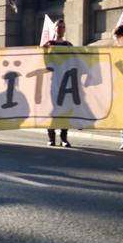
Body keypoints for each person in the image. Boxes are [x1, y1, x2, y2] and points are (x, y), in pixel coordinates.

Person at [42, 19, 73, 147]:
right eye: (58, 27)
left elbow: (74, 60)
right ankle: (51, 136)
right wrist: (43, 50)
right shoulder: (49, 44)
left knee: (65, 110)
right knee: (52, 110)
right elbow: (43, 62)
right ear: (54, 29)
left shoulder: (68, 45)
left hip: (66, 82)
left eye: (62, 27)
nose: (60, 29)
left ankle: (64, 137)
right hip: (52, 82)